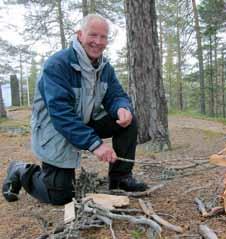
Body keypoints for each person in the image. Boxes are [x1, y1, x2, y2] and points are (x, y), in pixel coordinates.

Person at [2, 14, 148, 205]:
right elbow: (61, 114)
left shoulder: (104, 67)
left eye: (103, 37)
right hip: (55, 130)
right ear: (79, 35)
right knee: (60, 196)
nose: (98, 42)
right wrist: (95, 144)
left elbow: (116, 95)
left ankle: (120, 178)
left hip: (83, 122)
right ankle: (21, 170)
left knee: (129, 122)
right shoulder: (57, 65)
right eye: (93, 35)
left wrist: (122, 108)